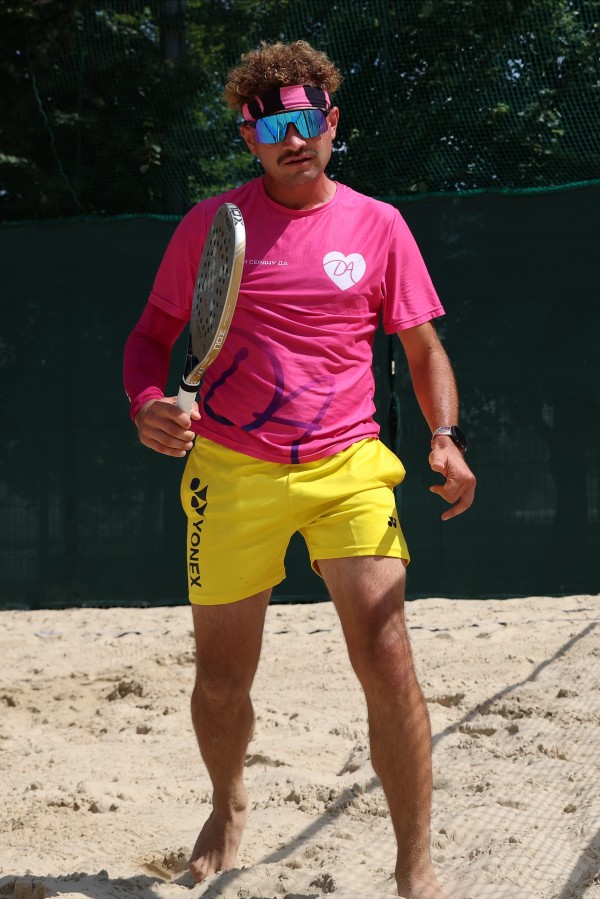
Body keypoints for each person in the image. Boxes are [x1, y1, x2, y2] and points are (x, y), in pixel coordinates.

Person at [123, 39, 476, 899]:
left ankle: (415, 865)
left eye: (307, 120)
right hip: (230, 471)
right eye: (272, 126)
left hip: (348, 465)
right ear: (248, 136)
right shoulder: (212, 225)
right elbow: (150, 337)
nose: (293, 138)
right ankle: (227, 802)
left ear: (332, 123)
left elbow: (423, 348)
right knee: (221, 683)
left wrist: (444, 434)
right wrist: (146, 401)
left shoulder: (378, 225)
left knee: (388, 654)